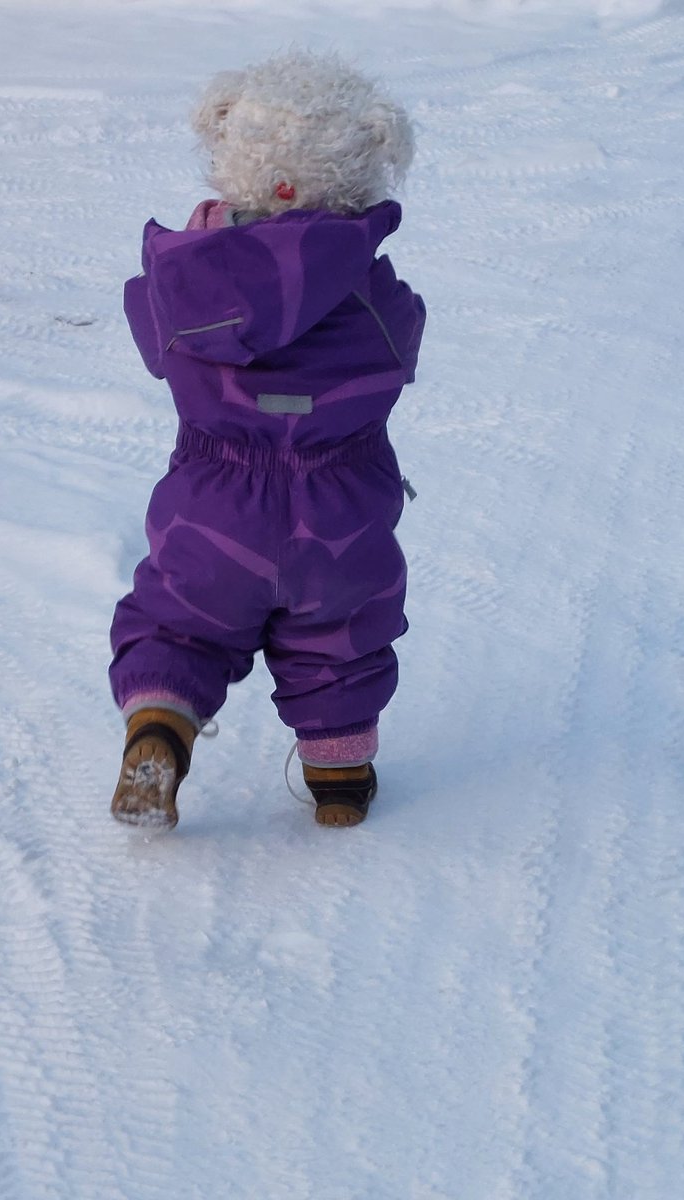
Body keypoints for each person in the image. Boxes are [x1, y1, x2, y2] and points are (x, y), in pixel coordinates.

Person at [108, 50, 425, 830]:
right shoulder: (374, 301)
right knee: (341, 640)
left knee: (178, 623)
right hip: (337, 509)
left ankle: (159, 730)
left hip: (213, 507)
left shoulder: (187, 286)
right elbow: (400, 353)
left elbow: (156, 342)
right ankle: (340, 780)